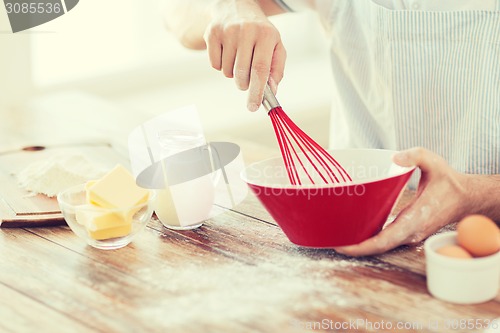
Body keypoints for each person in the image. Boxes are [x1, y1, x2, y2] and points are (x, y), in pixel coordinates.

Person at [161, 0, 500, 256]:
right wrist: (229, 6)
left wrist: (474, 195)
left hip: (483, 250)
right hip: (343, 227)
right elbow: (177, 12)